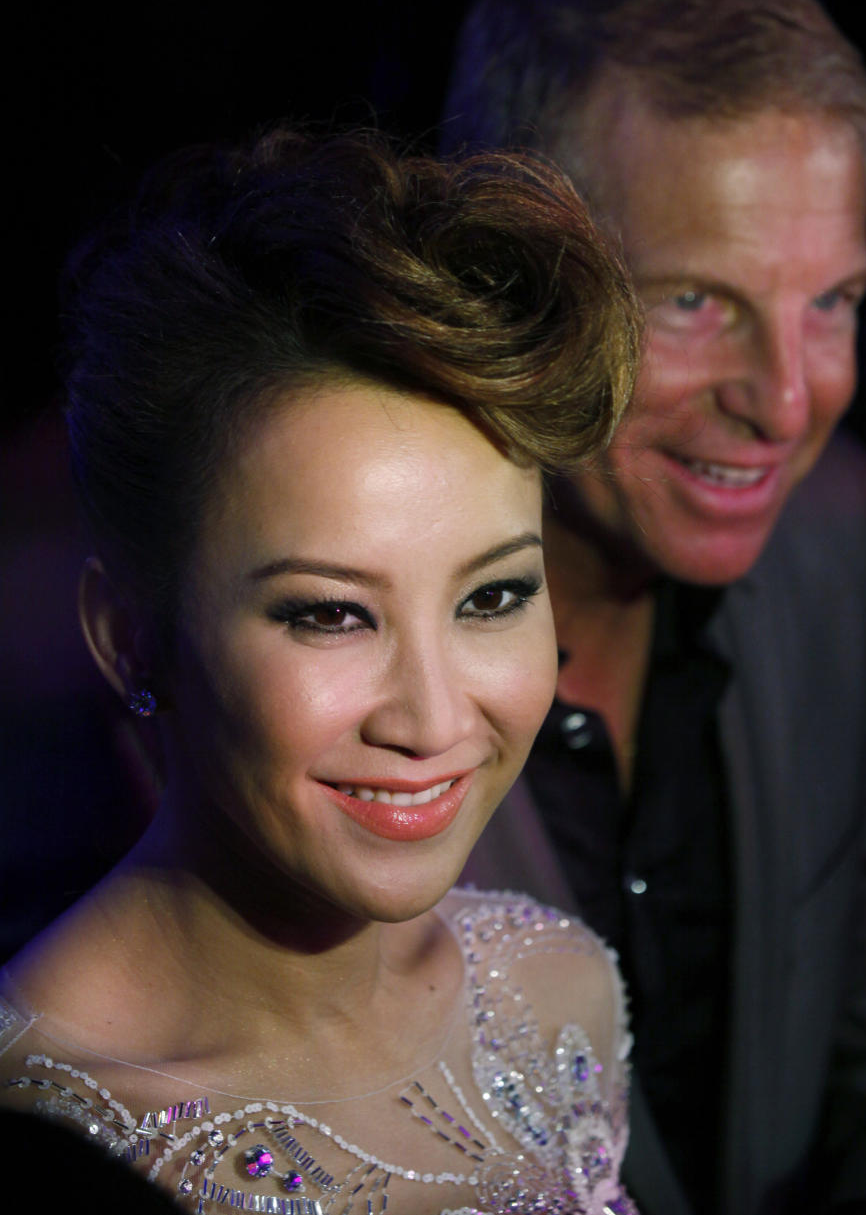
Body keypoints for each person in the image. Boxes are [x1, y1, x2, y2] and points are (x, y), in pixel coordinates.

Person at [0, 128, 644, 1214]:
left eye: (492, 597)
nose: (435, 717)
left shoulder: (557, 993)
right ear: (130, 636)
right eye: (332, 615)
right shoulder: (47, 1129)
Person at [441, 0, 866, 1214]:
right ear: (499, 277)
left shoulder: (834, 532)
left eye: (830, 302)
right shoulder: (328, 648)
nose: (788, 404)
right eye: (693, 304)